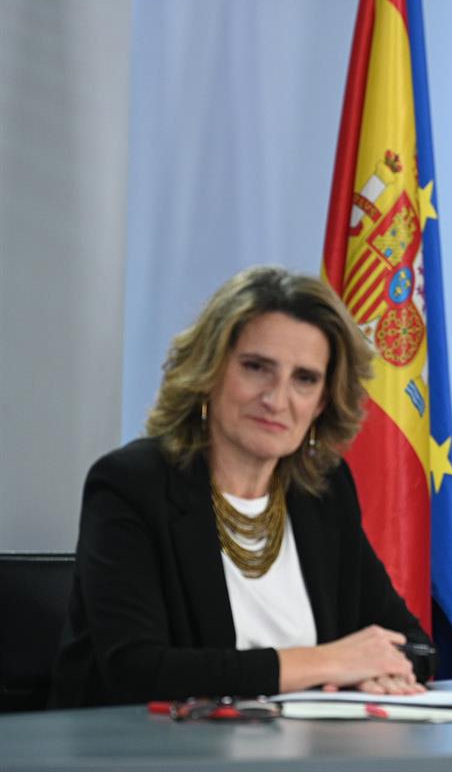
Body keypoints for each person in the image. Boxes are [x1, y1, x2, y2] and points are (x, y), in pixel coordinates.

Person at [52, 266, 431, 707]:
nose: (276, 399)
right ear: (209, 370)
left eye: (304, 379)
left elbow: (414, 647)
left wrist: (379, 672)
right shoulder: (132, 485)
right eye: (256, 368)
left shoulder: (322, 493)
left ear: (322, 401)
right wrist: (328, 664)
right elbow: (139, 671)